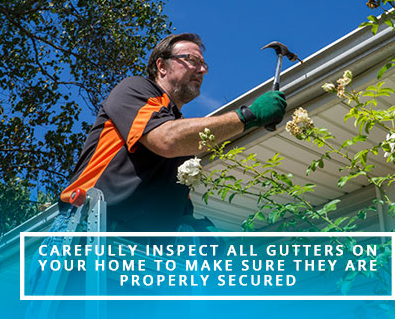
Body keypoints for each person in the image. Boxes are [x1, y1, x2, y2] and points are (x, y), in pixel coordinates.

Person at [58, 32, 287, 232]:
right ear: (161, 66)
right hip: (86, 229)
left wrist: (194, 224)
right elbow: (166, 139)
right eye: (191, 60)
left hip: (139, 252)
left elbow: (173, 196)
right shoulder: (135, 90)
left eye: (204, 65)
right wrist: (249, 115)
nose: (201, 70)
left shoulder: (184, 136)